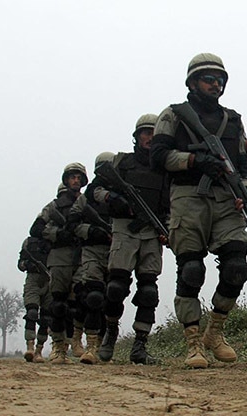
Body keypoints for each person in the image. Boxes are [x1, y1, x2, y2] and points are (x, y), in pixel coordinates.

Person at [150, 53, 247, 369]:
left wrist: (245, 193)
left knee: (237, 265)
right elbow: (158, 157)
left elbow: (244, 165)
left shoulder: (233, 120)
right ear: (193, 82)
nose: (216, 84)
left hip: (225, 198)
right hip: (187, 196)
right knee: (192, 269)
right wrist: (194, 161)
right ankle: (193, 342)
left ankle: (216, 331)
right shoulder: (173, 115)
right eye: (209, 79)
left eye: (220, 80)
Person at [93, 114, 170, 365]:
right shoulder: (121, 163)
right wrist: (112, 199)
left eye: (153, 133)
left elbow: (171, 203)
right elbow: (94, 190)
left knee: (148, 291)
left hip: (151, 232)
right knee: (116, 287)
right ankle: (110, 332)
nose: (149, 138)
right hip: (125, 229)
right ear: (137, 137)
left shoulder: (164, 168)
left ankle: (140, 345)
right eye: (145, 133)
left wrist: (168, 229)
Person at [30, 162, 88, 364]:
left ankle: (74, 342)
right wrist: (58, 234)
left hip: (82, 256)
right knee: (58, 304)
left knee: (81, 299)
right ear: (66, 180)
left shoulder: (86, 203)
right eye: (73, 177)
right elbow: (36, 230)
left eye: (79, 178)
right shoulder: (53, 207)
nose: (76, 180)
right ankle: (57, 347)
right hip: (60, 257)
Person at [68, 152, 114, 364]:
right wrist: (91, 231)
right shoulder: (86, 198)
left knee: (111, 299)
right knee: (93, 297)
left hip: (117, 251)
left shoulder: (122, 194)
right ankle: (91, 345)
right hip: (92, 251)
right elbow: (72, 225)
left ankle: (105, 344)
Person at [17, 234, 52, 363]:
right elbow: (20, 264)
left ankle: (39, 350)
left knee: (45, 318)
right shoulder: (28, 242)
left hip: (50, 280)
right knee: (31, 312)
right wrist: (27, 264)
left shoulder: (55, 240)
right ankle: (30, 347)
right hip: (33, 279)